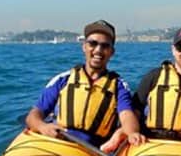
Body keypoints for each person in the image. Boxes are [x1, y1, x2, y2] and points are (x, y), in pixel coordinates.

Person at [25, 20, 144, 148]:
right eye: (93, 43)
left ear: (111, 52)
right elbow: (34, 114)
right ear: (84, 47)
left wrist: (132, 133)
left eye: (105, 46)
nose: (98, 50)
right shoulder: (63, 80)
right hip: (58, 143)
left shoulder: (118, 86)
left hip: (93, 151)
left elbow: (126, 116)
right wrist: (42, 126)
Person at [102, 26, 181, 150]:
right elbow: (135, 113)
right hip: (151, 143)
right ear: (173, 50)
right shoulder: (154, 77)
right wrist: (122, 133)